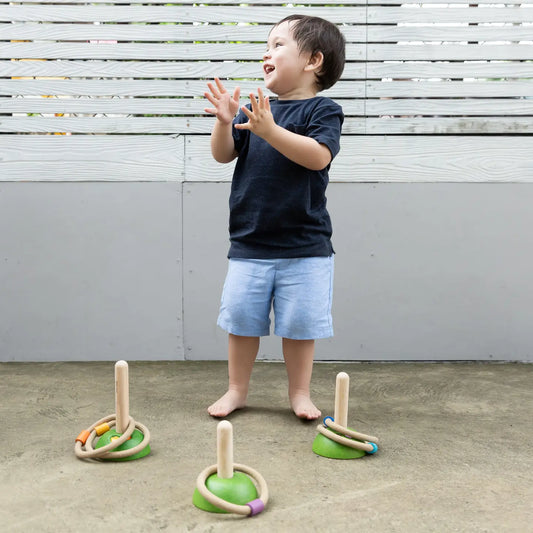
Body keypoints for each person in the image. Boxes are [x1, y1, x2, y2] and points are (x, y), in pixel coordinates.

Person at [203, 14, 346, 420]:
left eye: (279, 44)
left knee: (300, 327)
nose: (267, 52)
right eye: (267, 46)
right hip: (250, 243)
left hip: (306, 247)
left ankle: (299, 393)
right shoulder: (255, 112)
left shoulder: (323, 110)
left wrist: (269, 131)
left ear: (313, 60)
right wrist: (226, 122)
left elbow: (318, 156)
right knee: (242, 322)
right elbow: (223, 154)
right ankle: (237, 389)